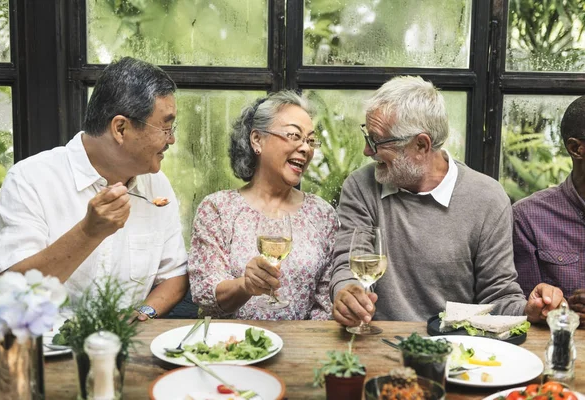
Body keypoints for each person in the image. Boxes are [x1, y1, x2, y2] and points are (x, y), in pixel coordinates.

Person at [329, 75, 563, 327]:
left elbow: (497, 296)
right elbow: (349, 266)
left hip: (456, 348)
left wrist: (530, 310)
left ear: (421, 145)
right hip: (376, 341)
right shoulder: (361, 186)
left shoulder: (487, 199)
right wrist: (347, 292)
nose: (367, 151)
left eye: (376, 141)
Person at [0, 57, 188, 321]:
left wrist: (143, 312)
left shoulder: (157, 185)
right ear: (120, 128)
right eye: (165, 127)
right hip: (46, 351)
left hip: (124, 347)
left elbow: (173, 274)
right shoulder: (29, 180)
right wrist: (88, 232)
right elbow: (11, 295)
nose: (172, 139)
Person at [188, 90, 338, 320]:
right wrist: (246, 286)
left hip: (302, 349)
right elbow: (206, 297)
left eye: (310, 140)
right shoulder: (218, 209)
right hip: (231, 348)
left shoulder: (322, 214)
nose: (306, 148)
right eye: (294, 135)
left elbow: (326, 304)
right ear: (257, 139)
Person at [513, 95, 585, 326]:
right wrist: (556, 309)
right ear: (576, 148)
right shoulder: (528, 217)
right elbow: (526, 308)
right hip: (552, 352)